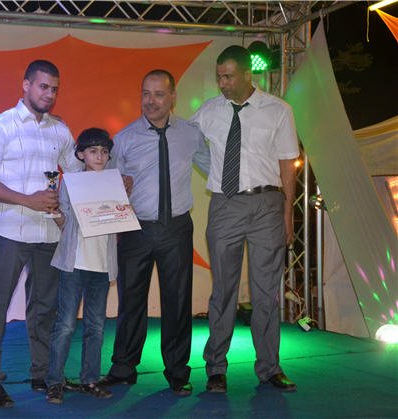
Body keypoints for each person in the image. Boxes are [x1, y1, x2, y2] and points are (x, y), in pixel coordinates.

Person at [190, 45, 299, 393]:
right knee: (224, 289)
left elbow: (287, 163)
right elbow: (187, 143)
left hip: (267, 203)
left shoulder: (278, 110)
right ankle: (215, 368)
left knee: (266, 292)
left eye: (228, 76)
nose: (222, 83)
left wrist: (288, 213)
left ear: (247, 74)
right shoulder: (209, 111)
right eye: (219, 77)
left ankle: (269, 367)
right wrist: (215, 173)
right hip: (225, 205)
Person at [0, 59, 83, 408]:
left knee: (44, 310)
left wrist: (110, 180)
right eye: (43, 86)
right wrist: (28, 200)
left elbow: (80, 173)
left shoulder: (60, 131)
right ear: (25, 85)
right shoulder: (0, 125)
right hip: (10, 232)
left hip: (49, 234)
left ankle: (42, 374)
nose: (49, 94)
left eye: (54, 89)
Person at [100, 69, 210, 396]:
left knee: (177, 302)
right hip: (135, 229)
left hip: (177, 228)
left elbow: (214, 169)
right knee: (131, 301)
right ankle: (123, 368)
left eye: (159, 94)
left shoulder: (190, 134)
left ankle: (177, 372)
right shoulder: (124, 139)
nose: (151, 101)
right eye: (146, 94)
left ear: (173, 97)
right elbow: (105, 183)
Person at [45, 128, 117, 404]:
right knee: (65, 325)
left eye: (104, 151)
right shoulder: (70, 182)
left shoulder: (115, 183)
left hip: (102, 265)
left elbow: (119, 218)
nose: (99, 156)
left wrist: (125, 212)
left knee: (96, 326)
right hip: (74, 263)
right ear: (80, 155)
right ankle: (55, 382)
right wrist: (55, 213)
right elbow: (64, 222)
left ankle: (90, 379)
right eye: (93, 151)